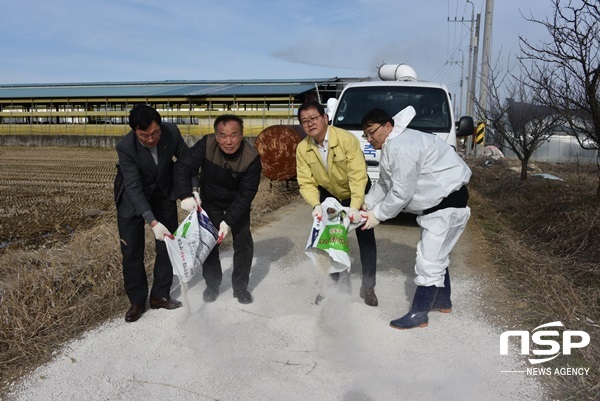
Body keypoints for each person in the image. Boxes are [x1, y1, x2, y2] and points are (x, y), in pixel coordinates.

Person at [360, 107, 471, 329]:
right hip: (438, 204)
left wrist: (376, 216)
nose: (369, 139)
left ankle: (420, 313)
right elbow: (384, 182)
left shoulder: (403, 146)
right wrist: (366, 205)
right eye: (366, 135)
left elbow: (402, 193)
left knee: (429, 259)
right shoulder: (393, 144)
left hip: (447, 204)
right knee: (438, 253)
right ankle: (441, 301)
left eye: (372, 132)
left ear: (388, 126)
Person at [295, 100, 378, 306]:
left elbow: (358, 176)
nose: (310, 124)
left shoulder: (346, 139)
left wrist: (355, 206)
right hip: (329, 194)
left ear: (325, 118)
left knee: (365, 236)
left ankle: (368, 287)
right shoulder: (302, 148)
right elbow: (305, 182)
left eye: (314, 118)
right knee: (327, 240)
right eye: (305, 121)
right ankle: (330, 286)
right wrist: (316, 205)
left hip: (354, 191)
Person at [174, 114, 261, 304]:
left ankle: (240, 287)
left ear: (242, 135)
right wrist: (186, 195)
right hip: (210, 200)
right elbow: (183, 166)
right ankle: (212, 285)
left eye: (233, 135)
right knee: (208, 242)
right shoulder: (206, 144)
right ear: (216, 135)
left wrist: (228, 221)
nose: (228, 141)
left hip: (236, 202)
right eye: (223, 135)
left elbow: (247, 194)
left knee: (243, 242)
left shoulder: (251, 157)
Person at [114, 105, 187, 322]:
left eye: (155, 133)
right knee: (132, 251)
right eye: (143, 135)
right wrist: (153, 222)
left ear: (160, 126)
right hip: (132, 198)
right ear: (134, 132)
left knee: (166, 245)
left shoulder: (171, 131)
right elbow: (134, 187)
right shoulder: (125, 147)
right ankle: (137, 301)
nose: (150, 139)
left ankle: (159, 296)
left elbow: (186, 160)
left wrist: (191, 191)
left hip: (163, 192)